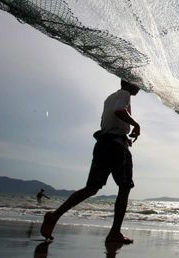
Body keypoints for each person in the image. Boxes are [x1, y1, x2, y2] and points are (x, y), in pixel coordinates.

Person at [40, 80, 141, 243]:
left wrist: (124, 135)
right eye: (137, 83)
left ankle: (54, 215)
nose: (140, 87)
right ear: (129, 84)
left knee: (92, 188)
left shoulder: (110, 97)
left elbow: (110, 120)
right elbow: (119, 111)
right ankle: (115, 233)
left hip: (103, 143)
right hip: (116, 147)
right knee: (124, 187)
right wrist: (136, 124)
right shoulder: (125, 94)